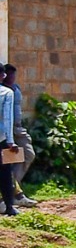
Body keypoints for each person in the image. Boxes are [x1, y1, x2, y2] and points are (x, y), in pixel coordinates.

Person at [0, 63, 23, 216]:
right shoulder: (6, 92)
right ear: (3, 75)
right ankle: (9, 206)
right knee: (5, 174)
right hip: (1, 138)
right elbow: (7, 118)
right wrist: (10, 141)